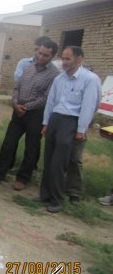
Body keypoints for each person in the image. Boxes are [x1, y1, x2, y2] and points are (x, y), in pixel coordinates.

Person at [0, 40, 59, 190]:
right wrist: (15, 103)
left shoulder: (54, 74)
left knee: (31, 148)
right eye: (40, 52)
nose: (41, 56)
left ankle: (23, 178)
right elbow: (17, 87)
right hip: (18, 112)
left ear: (52, 56)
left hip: (36, 114)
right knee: (8, 143)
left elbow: (46, 98)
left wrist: (25, 107)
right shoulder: (28, 67)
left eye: (45, 55)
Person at [39, 46, 102, 213]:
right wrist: (46, 123)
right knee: (49, 159)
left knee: (60, 163)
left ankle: (57, 199)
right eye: (63, 59)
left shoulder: (90, 79)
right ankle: (44, 194)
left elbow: (90, 106)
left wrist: (81, 129)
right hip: (55, 120)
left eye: (68, 59)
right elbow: (51, 102)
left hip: (71, 122)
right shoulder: (59, 79)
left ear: (79, 59)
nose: (64, 62)